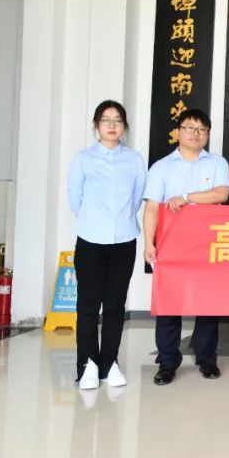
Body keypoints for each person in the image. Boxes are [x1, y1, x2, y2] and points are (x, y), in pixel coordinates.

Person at [143, 109, 229, 385]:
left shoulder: (216, 163)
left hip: (208, 244)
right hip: (171, 246)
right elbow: (152, 207)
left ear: (207, 134)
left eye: (202, 129)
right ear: (178, 131)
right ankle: (167, 361)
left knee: (208, 303)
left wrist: (186, 197)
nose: (195, 133)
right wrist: (148, 243)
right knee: (169, 304)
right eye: (190, 127)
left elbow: (222, 193)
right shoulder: (161, 167)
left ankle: (207, 358)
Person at [67, 100, 146, 390]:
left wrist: (119, 220)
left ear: (124, 126)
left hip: (124, 241)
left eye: (117, 120)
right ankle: (87, 364)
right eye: (106, 120)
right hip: (90, 240)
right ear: (96, 126)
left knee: (115, 305)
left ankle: (109, 363)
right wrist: (96, 220)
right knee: (88, 305)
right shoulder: (83, 159)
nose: (112, 126)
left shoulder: (134, 159)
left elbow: (137, 197)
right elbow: (75, 198)